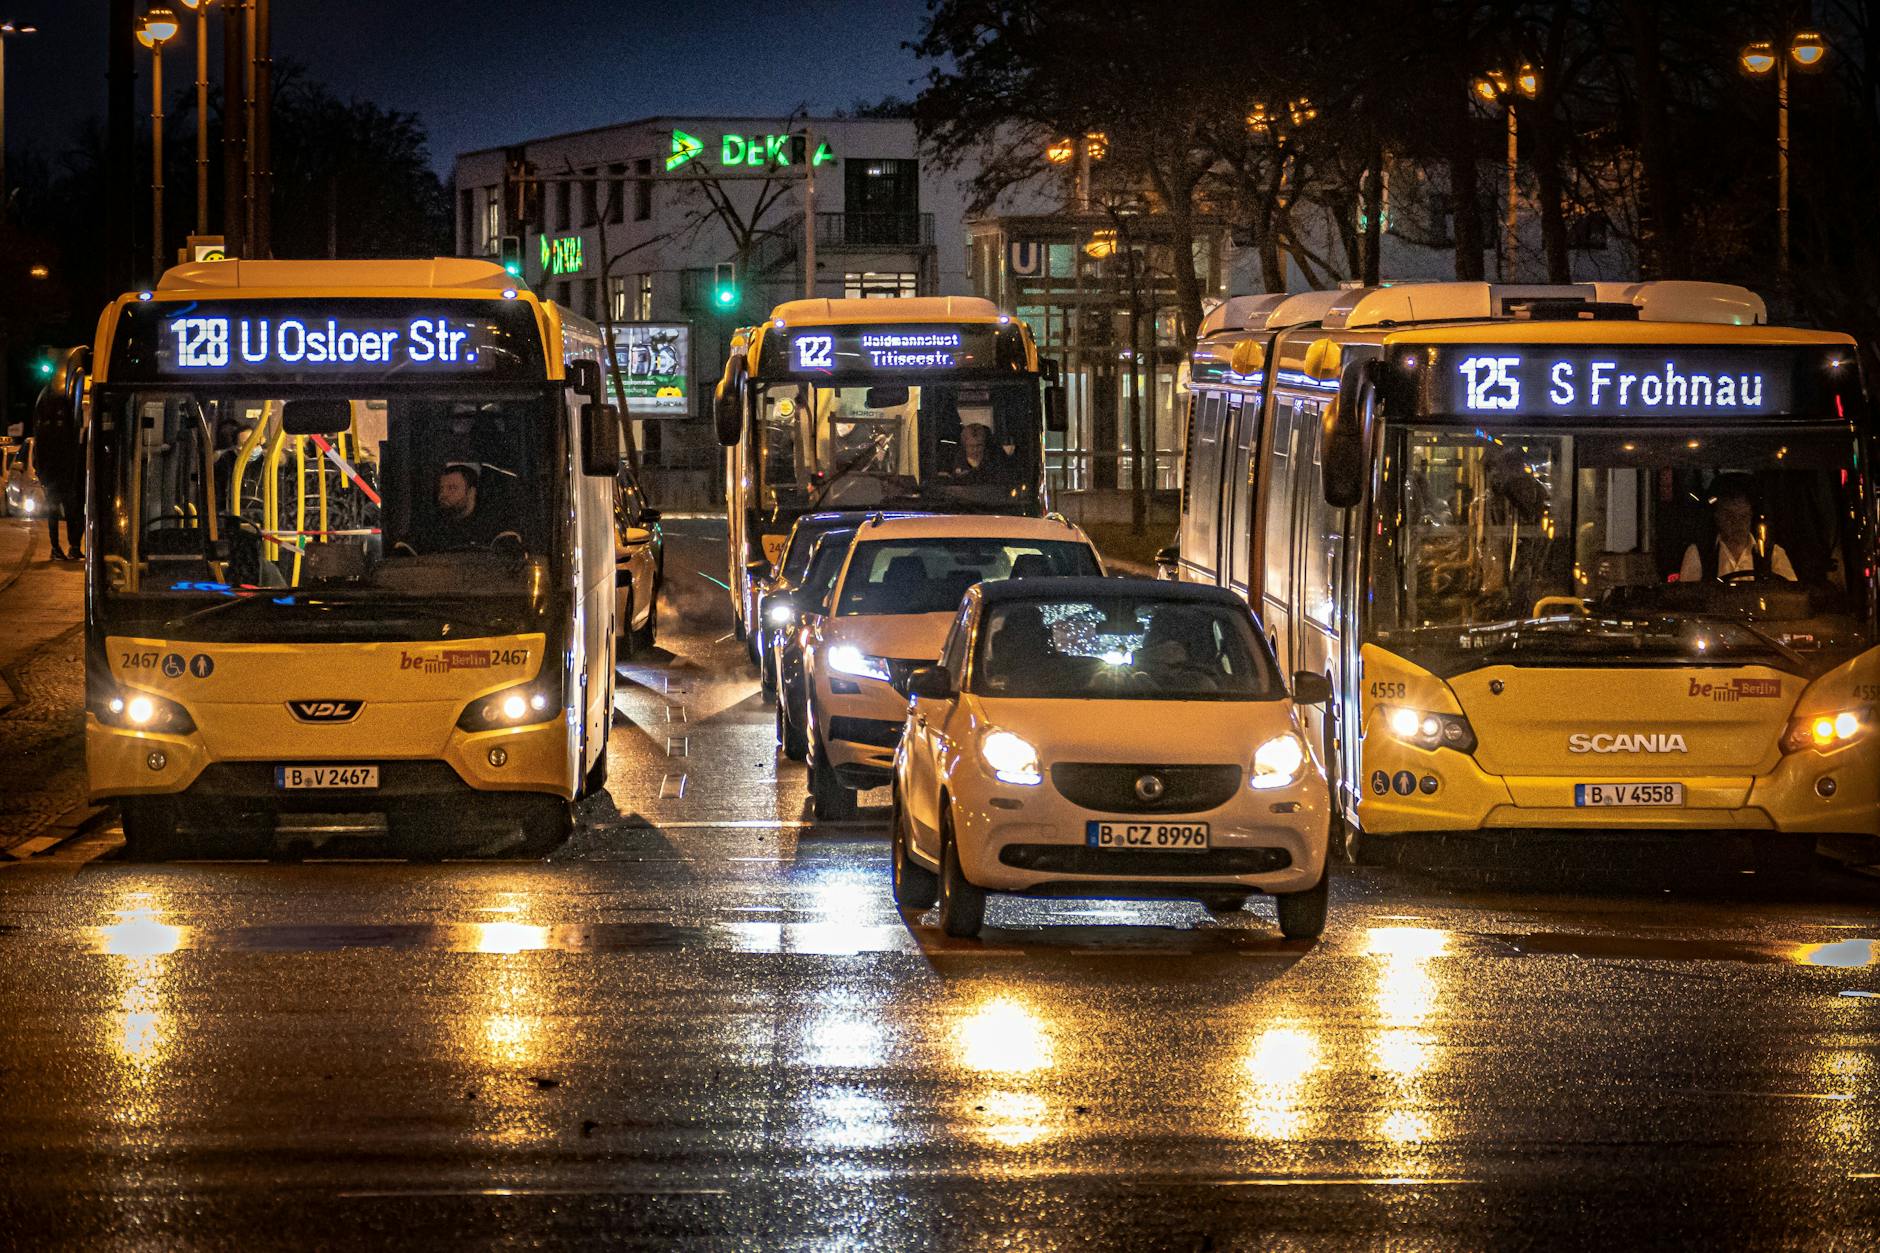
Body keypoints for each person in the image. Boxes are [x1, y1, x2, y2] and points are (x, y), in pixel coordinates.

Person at [1679, 476, 1795, 583]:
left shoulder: (1773, 554)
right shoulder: (1698, 554)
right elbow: (1687, 601)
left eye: (1743, 516)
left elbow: (1791, 598)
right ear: (1717, 516)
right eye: (1730, 516)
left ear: (1751, 515)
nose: (1737, 522)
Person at [31, 372, 83, 562]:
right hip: (58, 477)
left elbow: (39, 455)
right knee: (64, 512)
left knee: (67, 512)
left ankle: (66, 547)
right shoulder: (54, 429)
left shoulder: (45, 427)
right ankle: (63, 547)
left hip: (57, 477)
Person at [423, 463, 507, 551]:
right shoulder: (434, 528)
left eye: (452, 488)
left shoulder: (490, 528)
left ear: (471, 492)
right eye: (441, 489)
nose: (443, 495)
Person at [950, 416, 1011, 486]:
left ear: (984, 444)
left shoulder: (995, 459)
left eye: (979, 445)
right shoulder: (958, 459)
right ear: (965, 445)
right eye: (971, 446)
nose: (975, 450)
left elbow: (1003, 481)